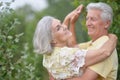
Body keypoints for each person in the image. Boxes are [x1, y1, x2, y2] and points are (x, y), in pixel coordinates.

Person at [33, 12, 117, 80]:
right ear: (52, 40)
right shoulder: (67, 54)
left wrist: (69, 20)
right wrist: (113, 38)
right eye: (58, 28)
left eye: (61, 23)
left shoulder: (47, 58)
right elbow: (105, 52)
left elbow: (72, 45)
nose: (64, 27)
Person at [67, 2, 118, 80]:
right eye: (87, 19)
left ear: (107, 23)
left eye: (93, 19)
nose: (88, 23)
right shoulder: (93, 43)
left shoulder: (104, 44)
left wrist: (58, 77)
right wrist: (72, 23)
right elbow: (73, 48)